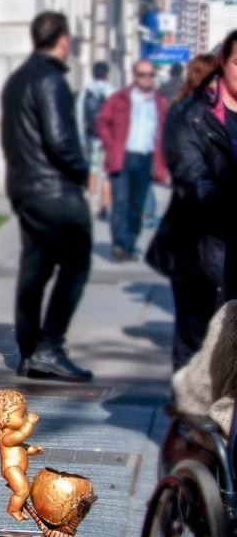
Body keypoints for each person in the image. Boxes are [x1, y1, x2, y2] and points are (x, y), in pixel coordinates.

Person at [0, 11, 93, 381]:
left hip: (26, 187)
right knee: (76, 263)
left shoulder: (17, 80)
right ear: (64, 40)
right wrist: (82, 171)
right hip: (54, 190)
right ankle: (49, 347)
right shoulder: (50, 80)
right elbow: (61, 140)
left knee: (35, 269)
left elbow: (11, 139)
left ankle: (29, 351)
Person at [146, 31, 237, 369]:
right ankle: (191, 419)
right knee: (197, 342)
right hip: (198, 249)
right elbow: (194, 180)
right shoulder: (192, 115)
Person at [95, 60, 169, 261]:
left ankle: (130, 242)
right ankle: (119, 244)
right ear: (134, 76)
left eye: (150, 75)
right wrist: (111, 145)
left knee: (137, 205)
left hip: (146, 159)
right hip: (122, 157)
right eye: (142, 74)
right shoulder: (119, 99)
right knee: (120, 202)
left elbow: (164, 131)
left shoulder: (159, 102)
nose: (146, 78)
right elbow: (102, 122)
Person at [0, 389, 43, 520]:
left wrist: (33, 450)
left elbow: (21, 447)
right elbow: (22, 435)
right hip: (11, 470)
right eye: (22, 415)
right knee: (22, 490)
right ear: (6, 417)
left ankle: (19, 506)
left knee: (26, 490)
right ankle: (13, 509)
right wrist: (30, 423)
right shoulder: (5, 437)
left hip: (19, 470)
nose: (25, 417)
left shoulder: (12, 438)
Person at [78, 61, 112, 220]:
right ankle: (104, 207)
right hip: (108, 139)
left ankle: (90, 204)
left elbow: (79, 117)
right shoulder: (112, 91)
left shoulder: (85, 92)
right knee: (107, 174)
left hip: (90, 137)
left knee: (92, 170)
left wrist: (81, 138)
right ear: (106, 74)